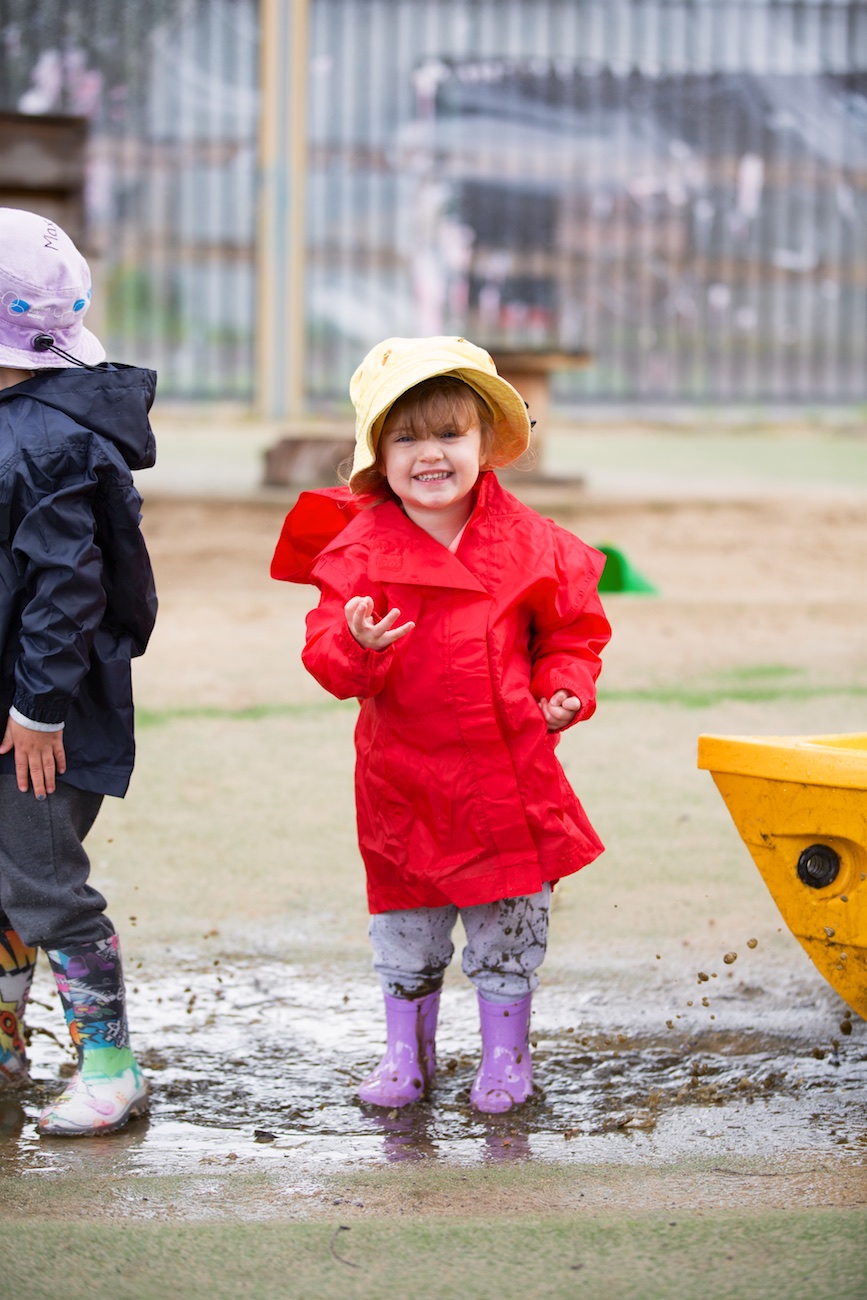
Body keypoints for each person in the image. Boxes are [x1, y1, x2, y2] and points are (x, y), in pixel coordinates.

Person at [271, 336, 610, 1112]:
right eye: (407, 437)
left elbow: (572, 635)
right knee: (407, 932)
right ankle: (404, 1053)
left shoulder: (534, 546)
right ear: (376, 456)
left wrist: (562, 688)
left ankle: (505, 1055)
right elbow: (323, 655)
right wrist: (354, 645)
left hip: (506, 777)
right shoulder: (358, 553)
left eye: (450, 434)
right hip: (405, 781)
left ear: (484, 443)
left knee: (508, 929)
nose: (431, 455)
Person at [0, 208, 157, 1136]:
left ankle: (110, 1062)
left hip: (39, 721)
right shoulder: (23, 421)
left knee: (46, 883)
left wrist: (39, 709)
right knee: (5, 877)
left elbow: (67, 589)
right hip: (19, 702)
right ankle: (7, 1035)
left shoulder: (47, 440)